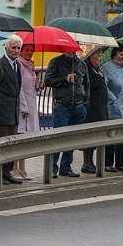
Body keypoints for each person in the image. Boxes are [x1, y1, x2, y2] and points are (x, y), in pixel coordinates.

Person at [44, 48, 89, 178]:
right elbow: (48, 80)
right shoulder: (56, 62)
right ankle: (52, 167)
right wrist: (65, 79)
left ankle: (66, 167)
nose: (72, 51)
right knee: (57, 138)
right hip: (62, 106)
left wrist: (85, 102)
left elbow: (86, 84)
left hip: (78, 106)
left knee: (71, 138)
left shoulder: (81, 64)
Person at [0, 35, 23, 184]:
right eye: (14, 47)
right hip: (3, 110)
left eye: (18, 48)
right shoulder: (1, 63)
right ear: (6, 47)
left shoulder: (18, 65)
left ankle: (6, 171)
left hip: (14, 111)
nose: (16, 51)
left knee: (12, 144)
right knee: (0, 142)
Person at [102, 44, 123, 172]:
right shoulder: (107, 67)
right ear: (114, 55)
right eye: (121, 54)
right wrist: (114, 100)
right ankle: (108, 163)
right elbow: (104, 87)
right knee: (112, 135)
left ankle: (119, 163)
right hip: (114, 106)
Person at [11, 42, 40, 180]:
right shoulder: (19, 65)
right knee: (19, 136)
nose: (29, 52)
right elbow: (20, 87)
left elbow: (32, 86)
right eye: (26, 50)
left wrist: (39, 85)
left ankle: (23, 167)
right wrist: (23, 107)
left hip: (32, 105)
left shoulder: (31, 66)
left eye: (31, 50)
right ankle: (15, 168)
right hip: (24, 107)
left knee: (26, 139)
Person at [81, 47, 108, 173]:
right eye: (99, 56)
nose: (100, 58)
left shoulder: (96, 68)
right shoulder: (87, 67)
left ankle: (92, 162)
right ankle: (87, 163)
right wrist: (98, 77)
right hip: (92, 107)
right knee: (89, 136)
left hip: (100, 107)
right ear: (92, 57)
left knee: (97, 136)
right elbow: (89, 84)